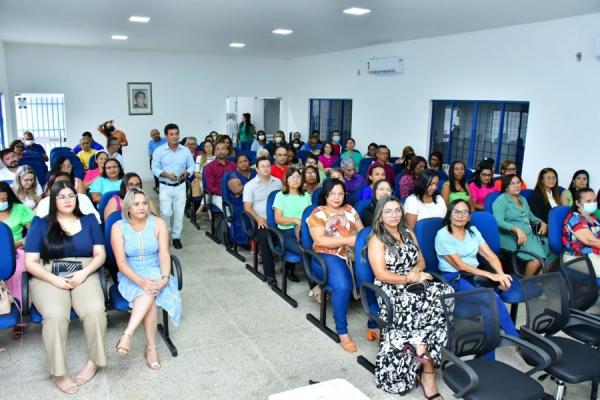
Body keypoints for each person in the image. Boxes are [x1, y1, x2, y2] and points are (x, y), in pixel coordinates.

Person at [24, 181, 106, 394]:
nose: (68, 200)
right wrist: (55, 280)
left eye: (71, 195)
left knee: (95, 310)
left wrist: (84, 273)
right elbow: (30, 262)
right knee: (55, 314)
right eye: (61, 196)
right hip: (47, 274)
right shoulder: (40, 224)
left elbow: (100, 254)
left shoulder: (89, 221)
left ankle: (94, 361)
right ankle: (58, 372)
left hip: (83, 271)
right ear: (53, 200)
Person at [368, 196, 452, 397]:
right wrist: (408, 278)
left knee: (445, 294)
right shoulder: (376, 239)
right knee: (416, 303)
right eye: (388, 211)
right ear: (380, 216)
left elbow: (421, 261)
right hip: (392, 288)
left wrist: (416, 271)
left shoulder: (408, 233)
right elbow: (381, 274)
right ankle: (427, 369)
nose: (394, 215)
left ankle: (421, 347)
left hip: (414, 282)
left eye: (397, 210)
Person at [111, 188, 182, 369]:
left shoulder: (158, 223)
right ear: (128, 208)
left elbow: (164, 255)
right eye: (136, 204)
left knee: (150, 289)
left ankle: (128, 334)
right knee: (148, 291)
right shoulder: (118, 227)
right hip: (131, 272)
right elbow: (121, 263)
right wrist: (141, 281)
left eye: (144, 203)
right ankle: (150, 347)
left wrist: (165, 278)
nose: (142, 207)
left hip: (156, 269)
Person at [435, 199, 518, 339]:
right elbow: (459, 265)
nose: (460, 215)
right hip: (454, 278)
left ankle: (487, 354)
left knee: (487, 308)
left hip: (474, 275)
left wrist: (501, 275)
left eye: (464, 212)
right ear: (449, 215)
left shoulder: (473, 232)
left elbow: (490, 256)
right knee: (493, 299)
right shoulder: (443, 235)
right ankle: (516, 339)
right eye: (456, 212)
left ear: (469, 217)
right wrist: (492, 276)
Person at [308, 178, 364, 352]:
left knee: (375, 274)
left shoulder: (350, 210)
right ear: (325, 194)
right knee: (343, 285)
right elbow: (320, 240)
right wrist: (348, 240)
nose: (337, 197)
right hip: (326, 255)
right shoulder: (318, 213)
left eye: (340, 193)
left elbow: (361, 230)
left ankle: (374, 324)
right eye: (333, 193)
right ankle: (342, 331)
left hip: (351, 253)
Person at [493, 174, 555, 276]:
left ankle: (539, 279)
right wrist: (516, 229)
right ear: (506, 186)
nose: (516, 186)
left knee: (553, 251)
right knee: (536, 259)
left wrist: (542, 223)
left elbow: (531, 217)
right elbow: (498, 221)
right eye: (512, 183)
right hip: (511, 236)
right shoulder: (501, 200)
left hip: (529, 235)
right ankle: (525, 284)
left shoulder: (522, 199)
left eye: (518, 183)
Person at [151, 123, 195, 249]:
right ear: (166, 136)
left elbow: (191, 166)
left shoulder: (185, 150)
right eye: (171, 134)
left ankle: (176, 237)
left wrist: (187, 173)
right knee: (165, 213)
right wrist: (165, 174)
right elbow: (154, 167)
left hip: (180, 186)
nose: (175, 137)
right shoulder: (159, 151)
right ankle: (165, 235)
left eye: (176, 134)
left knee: (179, 213)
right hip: (165, 185)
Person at [0, 181, 35, 332]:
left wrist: (22, 242)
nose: (1, 203)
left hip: (17, 249)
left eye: (3, 199)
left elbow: (35, 231)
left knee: (16, 271)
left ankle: (18, 314)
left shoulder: (19, 209)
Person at [243, 156, 283, 286]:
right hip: (260, 220)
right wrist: (259, 218)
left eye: (268, 166)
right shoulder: (250, 186)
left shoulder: (277, 182)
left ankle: (290, 270)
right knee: (266, 238)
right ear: (257, 169)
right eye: (263, 166)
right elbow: (247, 208)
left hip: (278, 218)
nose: (266, 168)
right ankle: (269, 274)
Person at [273, 167, 312, 282]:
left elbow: (310, 214)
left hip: (304, 230)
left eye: (298, 177)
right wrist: (295, 220)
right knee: (304, 252)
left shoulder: (305, 195)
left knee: (315, 250)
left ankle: (320, 277)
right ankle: (314, 286)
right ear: (286, 180)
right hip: (287, 232)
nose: (295, 179)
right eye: (292, 177)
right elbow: (278, 219)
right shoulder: (280, 196)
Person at [562, 187, 600, 275]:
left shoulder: (594, 219)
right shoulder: (575, 219)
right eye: (588, 201)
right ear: (578, 203)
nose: (593, 203)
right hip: (577, 256)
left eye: (594, 200)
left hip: (594, 253)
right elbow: (591, 241)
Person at [203, 141, 236, 211]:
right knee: (228, 208)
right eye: (218, 149)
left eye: (223, 149)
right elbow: (211, 187)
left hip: (233, 193)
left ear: (227, 151)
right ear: (215, 153)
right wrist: (225, 193)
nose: (220, 151)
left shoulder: (233, 165)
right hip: (217, 195)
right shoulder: (209, 167)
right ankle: (230, 222)